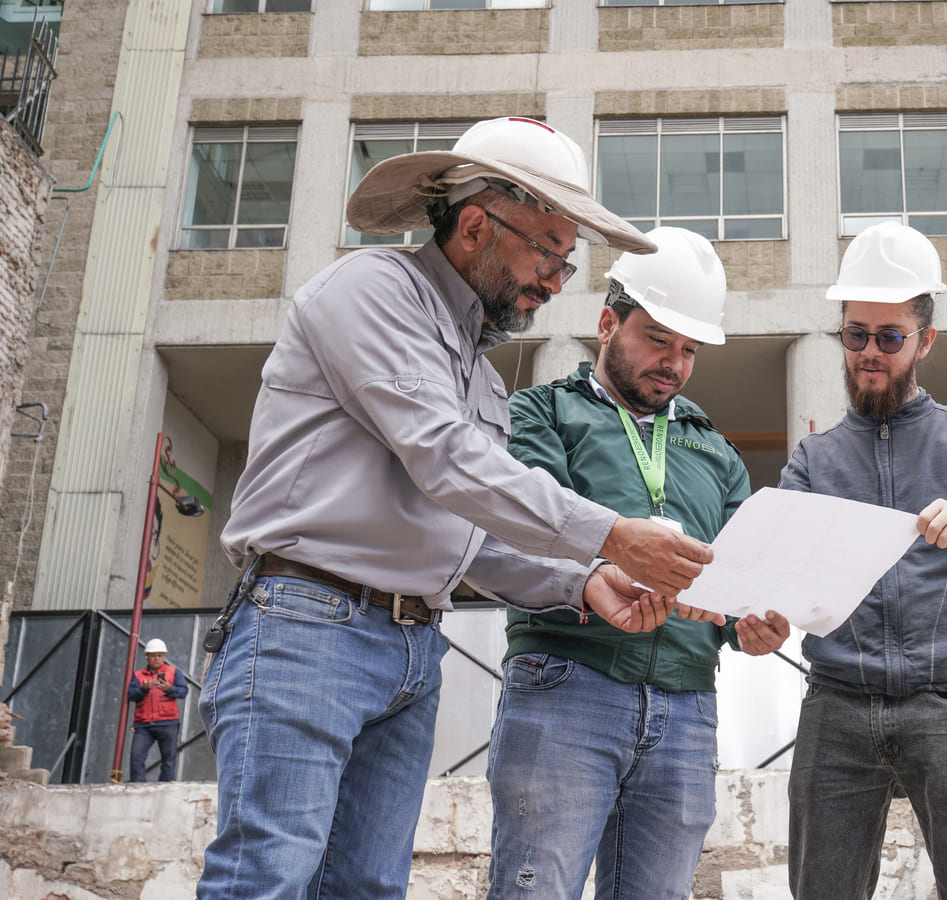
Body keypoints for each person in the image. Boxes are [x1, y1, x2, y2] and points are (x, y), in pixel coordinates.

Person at [198, 117, 715, 900]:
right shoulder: (370, 291)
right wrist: (610, 534)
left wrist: (585, 581)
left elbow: (468, 531)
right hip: (307, 624)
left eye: (566, 264)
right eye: (547, 252)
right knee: (266, 876)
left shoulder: (479, 376)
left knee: (367, 885)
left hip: (410, 647)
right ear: (476, 225)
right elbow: (445, 457)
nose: (553, 281)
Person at [486, 226, 791, 899]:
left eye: (689, 350)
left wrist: (751, 624)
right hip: (568, 681)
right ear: (606, 323)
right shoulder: (539, 412)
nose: (674, 363)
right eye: (657, 339)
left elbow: (743, 580)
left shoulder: (718, 453)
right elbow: (528, 530)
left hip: (688, 702)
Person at [780, 222, 947, 899]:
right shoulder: (813, 460)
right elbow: (781, 564)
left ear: (925, 340)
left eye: (889, 337)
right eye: (855, 334)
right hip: (837, 701)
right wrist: (761, 612)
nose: (870, 352)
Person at [125, 638, 187, 782]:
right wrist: (144, 688)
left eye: (159, 655)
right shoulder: (138, 675)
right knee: (136, 757)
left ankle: (165, 789)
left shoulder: (174, 672)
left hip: (168, 723)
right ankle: (138, 789)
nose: (156, 658)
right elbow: (131, 694)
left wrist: (169, 689)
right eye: (153, 655)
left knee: (169, 760)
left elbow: (183, 692)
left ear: (164, 656)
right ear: (146, 657)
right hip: (143, 725)